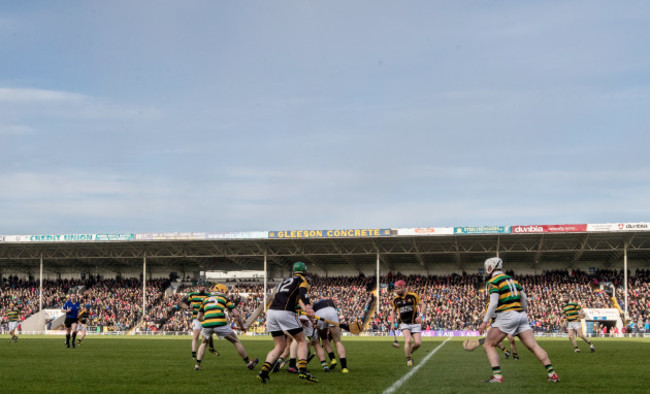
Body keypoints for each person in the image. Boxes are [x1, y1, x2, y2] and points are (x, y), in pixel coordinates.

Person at [479, 257, 559, 383]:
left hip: (506, 316)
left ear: (491, 267)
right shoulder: (513, 280)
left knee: (488, 344)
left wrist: (484, 321)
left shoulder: (493, 281)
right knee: (534, 346)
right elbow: (524, 299)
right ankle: (552, 374)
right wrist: (522, 311)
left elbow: (493, 303)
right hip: (521, 315)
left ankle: (497, 376)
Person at [257, 262, 319, 384]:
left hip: (271, 313)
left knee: (279, 346)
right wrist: (309, 307)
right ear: (304, 271)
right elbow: (303, 293)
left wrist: (307, 311)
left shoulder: (284, 281)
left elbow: (293, 298)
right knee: (301, 340)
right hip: (285, 312)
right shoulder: (302, 280)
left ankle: (264, 372)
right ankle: (302, 369)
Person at [193, 283, 258, 371]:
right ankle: (249, 363)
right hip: (220, 323)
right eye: (225, 292)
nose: (226, 293)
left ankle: (197, 365)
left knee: (204, 343)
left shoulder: (206, 299)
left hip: (206, 324)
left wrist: (208, 321)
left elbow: (198, 317)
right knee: (236, 341)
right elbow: (237, 314)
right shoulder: (224, 298)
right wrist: (242, 327)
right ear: (222, 291)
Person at [389, 279, 425, 366]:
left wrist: (420, 315)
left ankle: (410, 351)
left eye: (399, 288)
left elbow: (423, 305)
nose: (397, 290)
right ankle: (409, 359)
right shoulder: (395, 300)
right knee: (408, 341)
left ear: (404, 287)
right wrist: (392, 323)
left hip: (414, 323)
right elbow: (393, 311)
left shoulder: (413, 296)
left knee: (418, 343)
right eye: (396, 289)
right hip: (404, 324)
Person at [313, 298, 348, 373]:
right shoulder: (330, 302)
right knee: (337, 342)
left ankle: (333, 359)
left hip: (318, 313)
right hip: (331, 312)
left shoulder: (315, 305)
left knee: (324, 338)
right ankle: (344, 368)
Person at [187, 284, 218, 360]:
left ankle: (211, 347)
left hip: (206, 318)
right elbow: (186, 304)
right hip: (196, 318)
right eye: (201, 286)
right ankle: (194, 354)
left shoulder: (208, 295)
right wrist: (188, 308)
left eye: (203, 286)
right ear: (197, 287)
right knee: (196, 335)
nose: (202, 287)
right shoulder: (192, 295)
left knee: (209, 336)